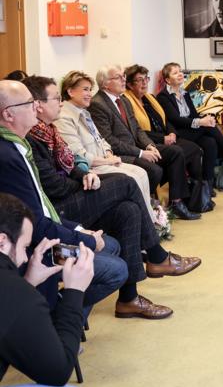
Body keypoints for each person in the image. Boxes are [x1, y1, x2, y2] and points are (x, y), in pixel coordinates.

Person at [23, 75, 199, 319]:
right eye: (56, 99)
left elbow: (72, 162)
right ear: (37, 105)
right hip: (58, 210)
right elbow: (54, 186)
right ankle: (157, 255)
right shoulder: (31, 136)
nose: (61, 103)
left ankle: (129, 299)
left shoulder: (48, 130)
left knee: (128, 210)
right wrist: (84, 179)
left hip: (71, 192)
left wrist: (83, 174)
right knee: (126, 182)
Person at [0, 79, 127, 313]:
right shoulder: (8, 156)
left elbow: (41, 208)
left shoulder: (20, 145)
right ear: (8, 115)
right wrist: (86, 240)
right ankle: (61, 318)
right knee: (116, 269)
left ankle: (68, 321)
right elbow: (35, 224)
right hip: (38, 250)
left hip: (49, 230)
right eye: (29, 103)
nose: (35, 107)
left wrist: (80, 231)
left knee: (111, 243)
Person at [0, 192, 91, 387]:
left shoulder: (14, 292)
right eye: (24, 247)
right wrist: (74, 292)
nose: (23, 258)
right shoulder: (14, 292)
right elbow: (57, 370)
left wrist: (27, 282)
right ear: (2, 241)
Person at [89, 65, 200, 221]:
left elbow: (137, 129)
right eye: (118, 77)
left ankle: (177, 202)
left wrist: (150, 146)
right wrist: (141, 153)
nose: (123, 80)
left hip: (137, 147)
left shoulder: (123, 100)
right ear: (106, 83)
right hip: (121, 154)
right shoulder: (98, 103)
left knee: (175, 152)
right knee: (155, 170)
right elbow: (109, 140)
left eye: (123, 77)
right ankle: (146, 206)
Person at [54, 70, 156, 224]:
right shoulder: (64, 117)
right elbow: (79, 156)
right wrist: (108, 161)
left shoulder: (84, 112)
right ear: (70, 91)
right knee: (133, 177)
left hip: (104, 160)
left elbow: (101, 140)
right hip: (91, 168)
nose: (89, 94)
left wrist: (108, 153)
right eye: (85, 90)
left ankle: (150, 222)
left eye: (90, 90)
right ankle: (147, 226)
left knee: (141, 172)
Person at [157, 62, 223, 195]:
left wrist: (206, 119)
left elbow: (193, 114)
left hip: (190, 130)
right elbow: (175, 119)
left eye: (180, 71)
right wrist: (201, 122)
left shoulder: (184, 93)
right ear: (167, 80)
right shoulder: (163, 97)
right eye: (175, 73)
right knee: (207, 127)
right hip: (177, 133)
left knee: (210, 142)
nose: (180, 74)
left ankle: (206, 184)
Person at [123, 64, 211, 214]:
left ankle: (196, 199)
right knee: (178, 152)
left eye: (146, 78)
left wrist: (171, 133)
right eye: (140, 80)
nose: (145, 83)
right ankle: (178, 202)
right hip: (150, 143)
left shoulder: (150, 98)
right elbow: (137, 131)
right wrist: (163, 138)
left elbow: (166, 120)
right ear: (130, 84)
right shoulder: (127, 102)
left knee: (196, 149)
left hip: (165, 137)